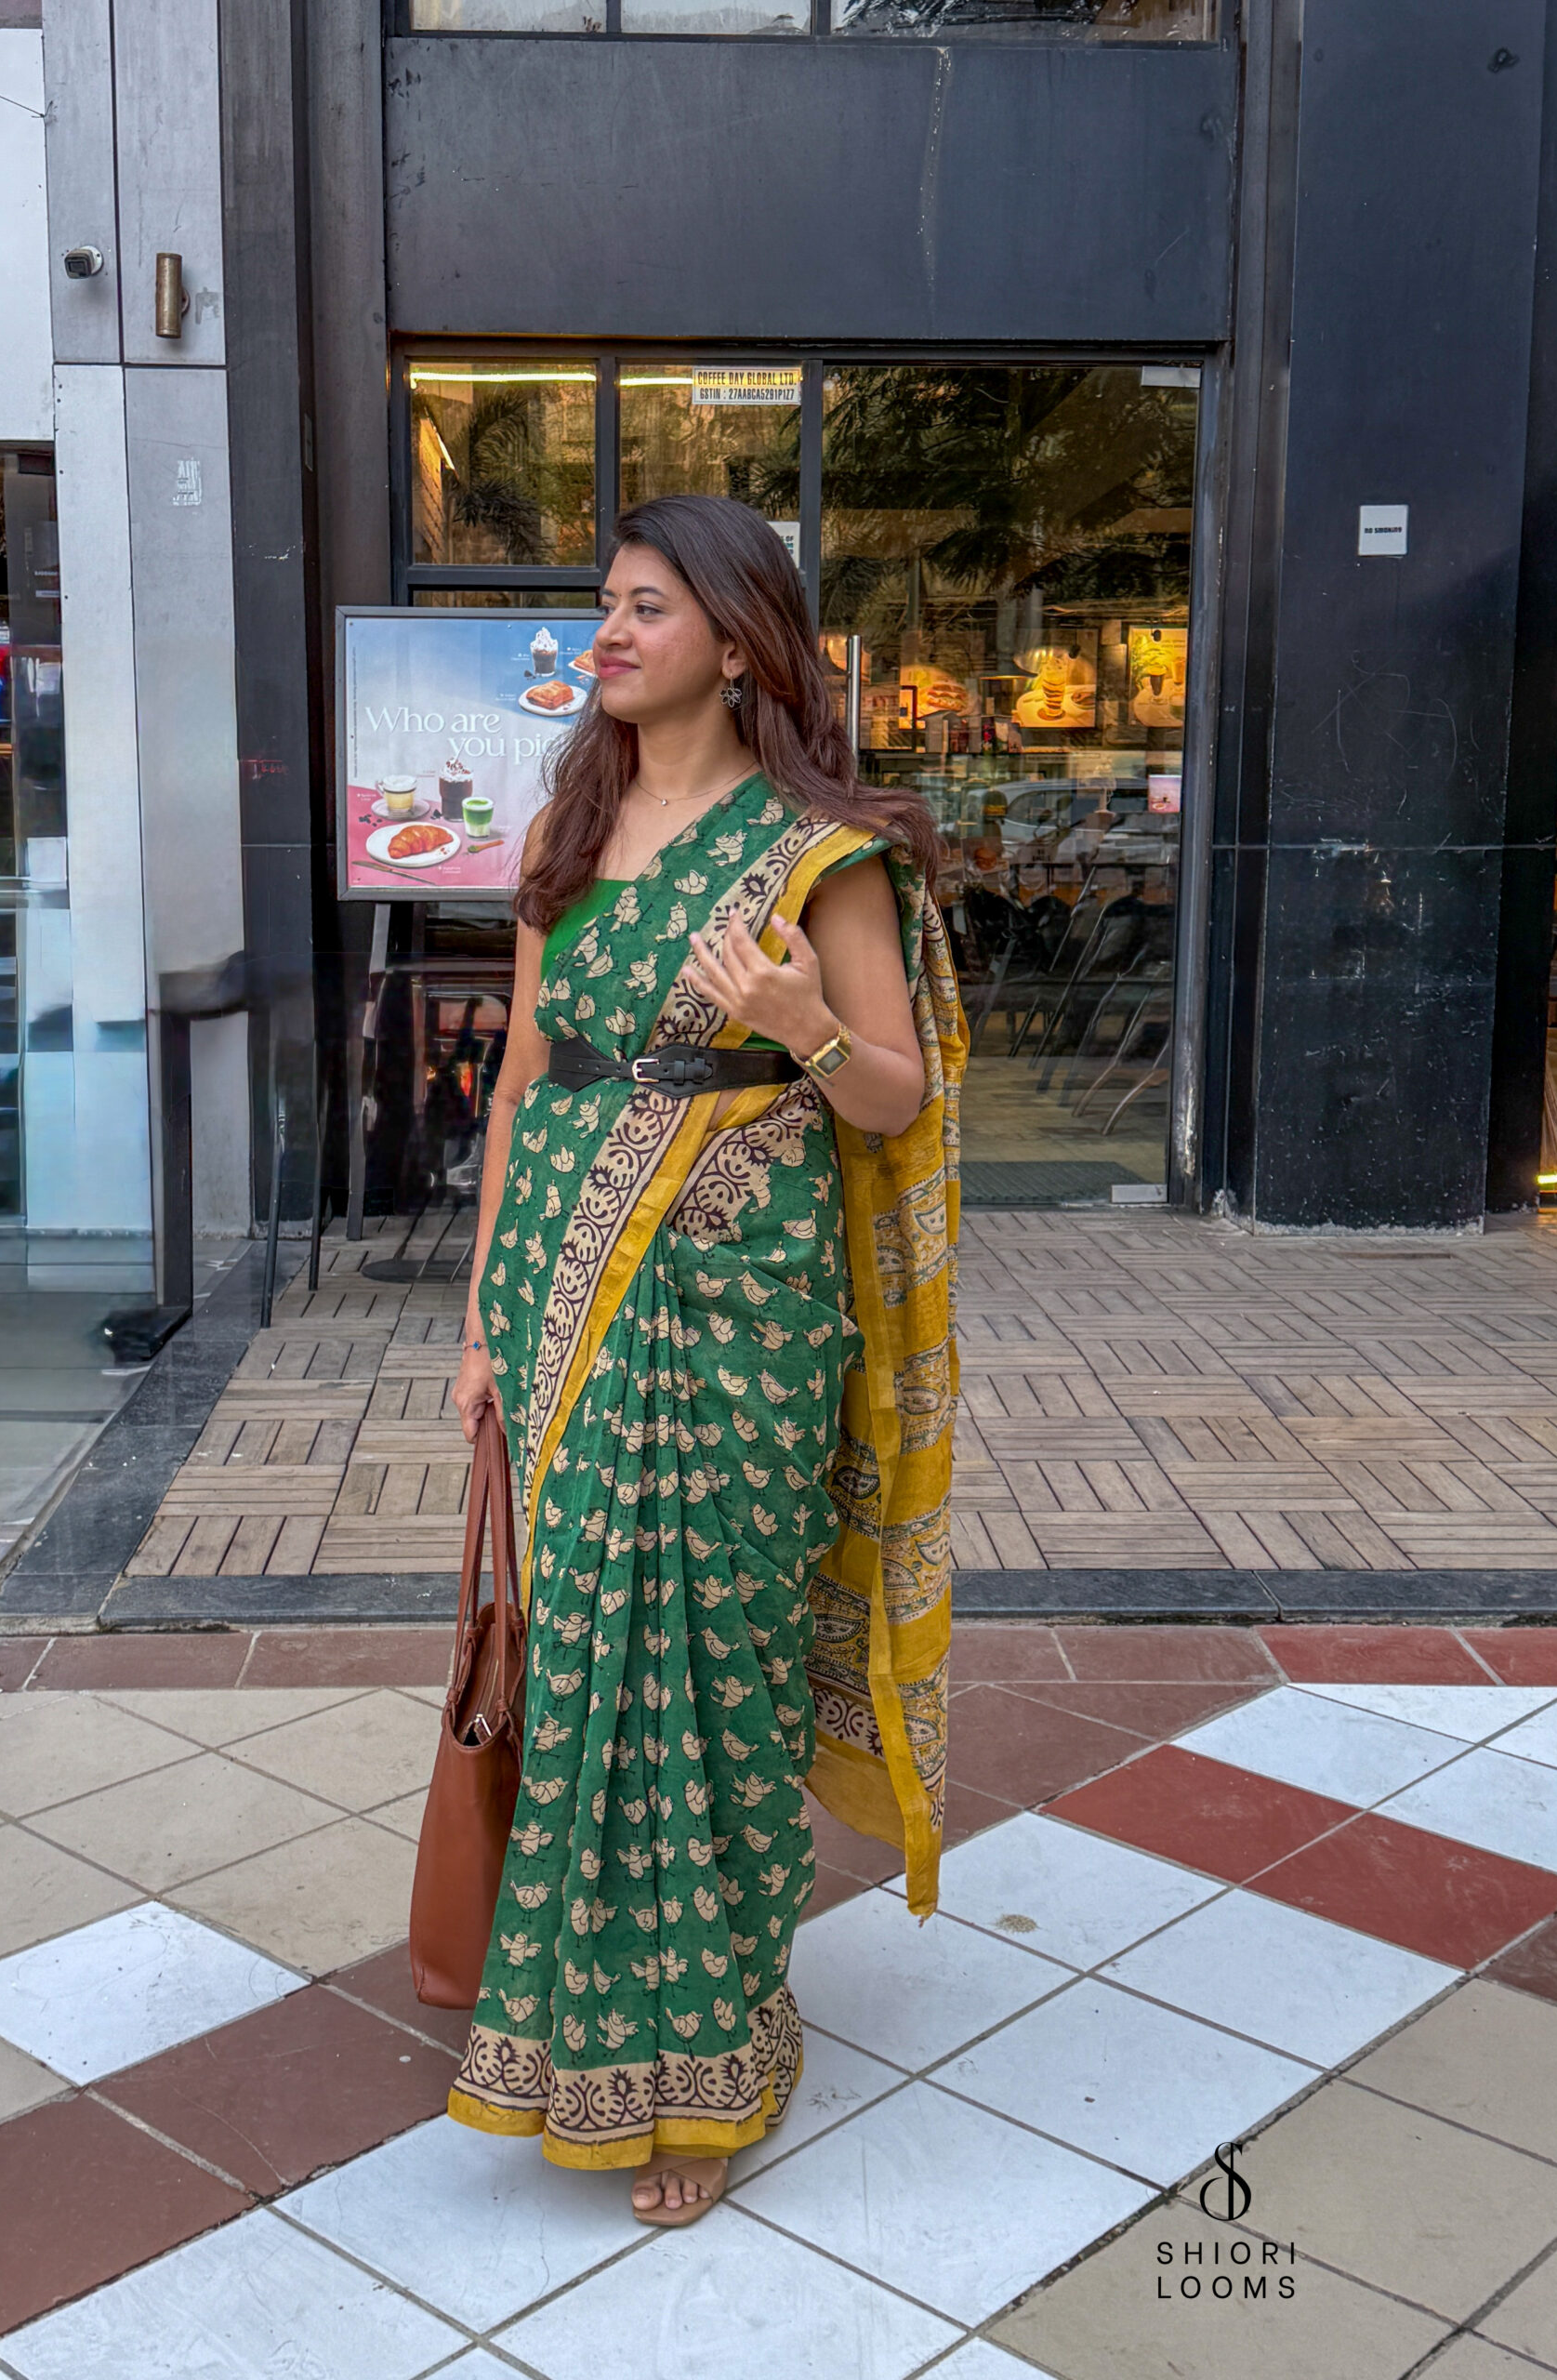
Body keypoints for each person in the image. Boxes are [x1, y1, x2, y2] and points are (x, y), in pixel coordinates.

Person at [449, 494, 966, 2227]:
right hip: (557, 1300)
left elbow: (896, 1093)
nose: (604, 634)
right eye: (604, 605)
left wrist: (801, 1022)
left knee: (711, 1669)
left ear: (736, 645)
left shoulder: (821, 856)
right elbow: (524, 1090)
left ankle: (716, 2059)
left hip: (742, 1321)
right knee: (588, 1657)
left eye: (642, 608)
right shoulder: (570, 828)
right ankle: (593, 2040)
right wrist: (473, 1326)